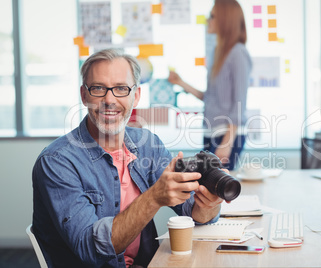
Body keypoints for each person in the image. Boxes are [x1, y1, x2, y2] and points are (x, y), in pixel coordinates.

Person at [32, 48, 223, 268]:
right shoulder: (57, 162)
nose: (109, 99)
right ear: (84, 95)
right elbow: (90, 249)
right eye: (98, 88)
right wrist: (153, 198)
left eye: (121, 88)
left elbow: (192, 210)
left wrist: (209, 204)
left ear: (137, 95)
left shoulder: (147, 145)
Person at [168, 0, 252, 171]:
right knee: (208, 188)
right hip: (211, 131)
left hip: (227, 135)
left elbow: (239, 102)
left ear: (225, 20)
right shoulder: (218, 53)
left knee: (217, 187)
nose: (208, 20)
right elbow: (211, 98)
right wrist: (180, 82)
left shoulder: (238, 53)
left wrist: (227, 143)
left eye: (212, 16)